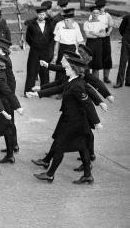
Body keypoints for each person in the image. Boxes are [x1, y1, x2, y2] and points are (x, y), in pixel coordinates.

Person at [28, 56, 98, 184]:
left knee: (59, 147)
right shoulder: (72, 81)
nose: (65, 69)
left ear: (74, 69)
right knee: (82, 147)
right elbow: (58, 88)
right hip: (74, 121)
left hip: (73, 122)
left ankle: (50, 174)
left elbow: (87, 103)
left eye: (67, 68)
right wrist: (38, 93)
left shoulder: (77, 85)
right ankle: (87, 175)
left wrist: (96, 121)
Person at [24, 6, 54, 95]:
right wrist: (34, 44)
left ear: (45, 15)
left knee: (44, 71)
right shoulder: (32, 25)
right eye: (40, 14)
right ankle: (29, 90)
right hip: (34, 51)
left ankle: (45, 91)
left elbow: (52, 37)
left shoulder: (49, 25)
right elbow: (28, 38)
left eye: (43, 14)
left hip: (45, 51)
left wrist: (48, 47)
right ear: (37, 15)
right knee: (32, 70)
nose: (41, 16)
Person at [53, 8, 84, 82]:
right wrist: (55, 55)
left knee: (71, 67)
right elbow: (56, 42)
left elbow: (80, 42)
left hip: (72, 48)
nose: (66, 22)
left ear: (72, 20)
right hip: (62, 48)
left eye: (68, 20)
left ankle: (70, 83)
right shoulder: (60, 28)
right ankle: (58, 84)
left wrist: (81, 53)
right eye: (65, 20)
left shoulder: (76, 28)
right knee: (61, 67)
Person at [83, 6, 107, 80]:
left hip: (98, 45)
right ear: (91, 13)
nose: (95, 14)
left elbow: (104, 34)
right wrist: (98, 34)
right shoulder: (87, 23)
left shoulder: (101, 23)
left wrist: (93, 33)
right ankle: (86, 81)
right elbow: (87, 35)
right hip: (90, 44)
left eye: (97, 13)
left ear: (99, 14)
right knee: (87, 63)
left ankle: (95, 82)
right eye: (94, 13)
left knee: (96, 65)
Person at [94, 0, 114, 83]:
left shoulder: (107, 15)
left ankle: (106, 77)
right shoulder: (94, 15)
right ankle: (95, 79)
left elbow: (111, 25)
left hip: (105, 38)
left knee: (107, 56)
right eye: (99, 8)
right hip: (97, 37)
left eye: (102, 7)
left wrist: (109, 32)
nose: (101, 9)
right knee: (97, 56)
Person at [115, 13, 130, 88]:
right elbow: (121, 29)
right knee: (123, 62)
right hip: (126, 42)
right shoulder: (127, 17)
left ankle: (128, 81)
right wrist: (125, 37)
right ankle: (119, 82)